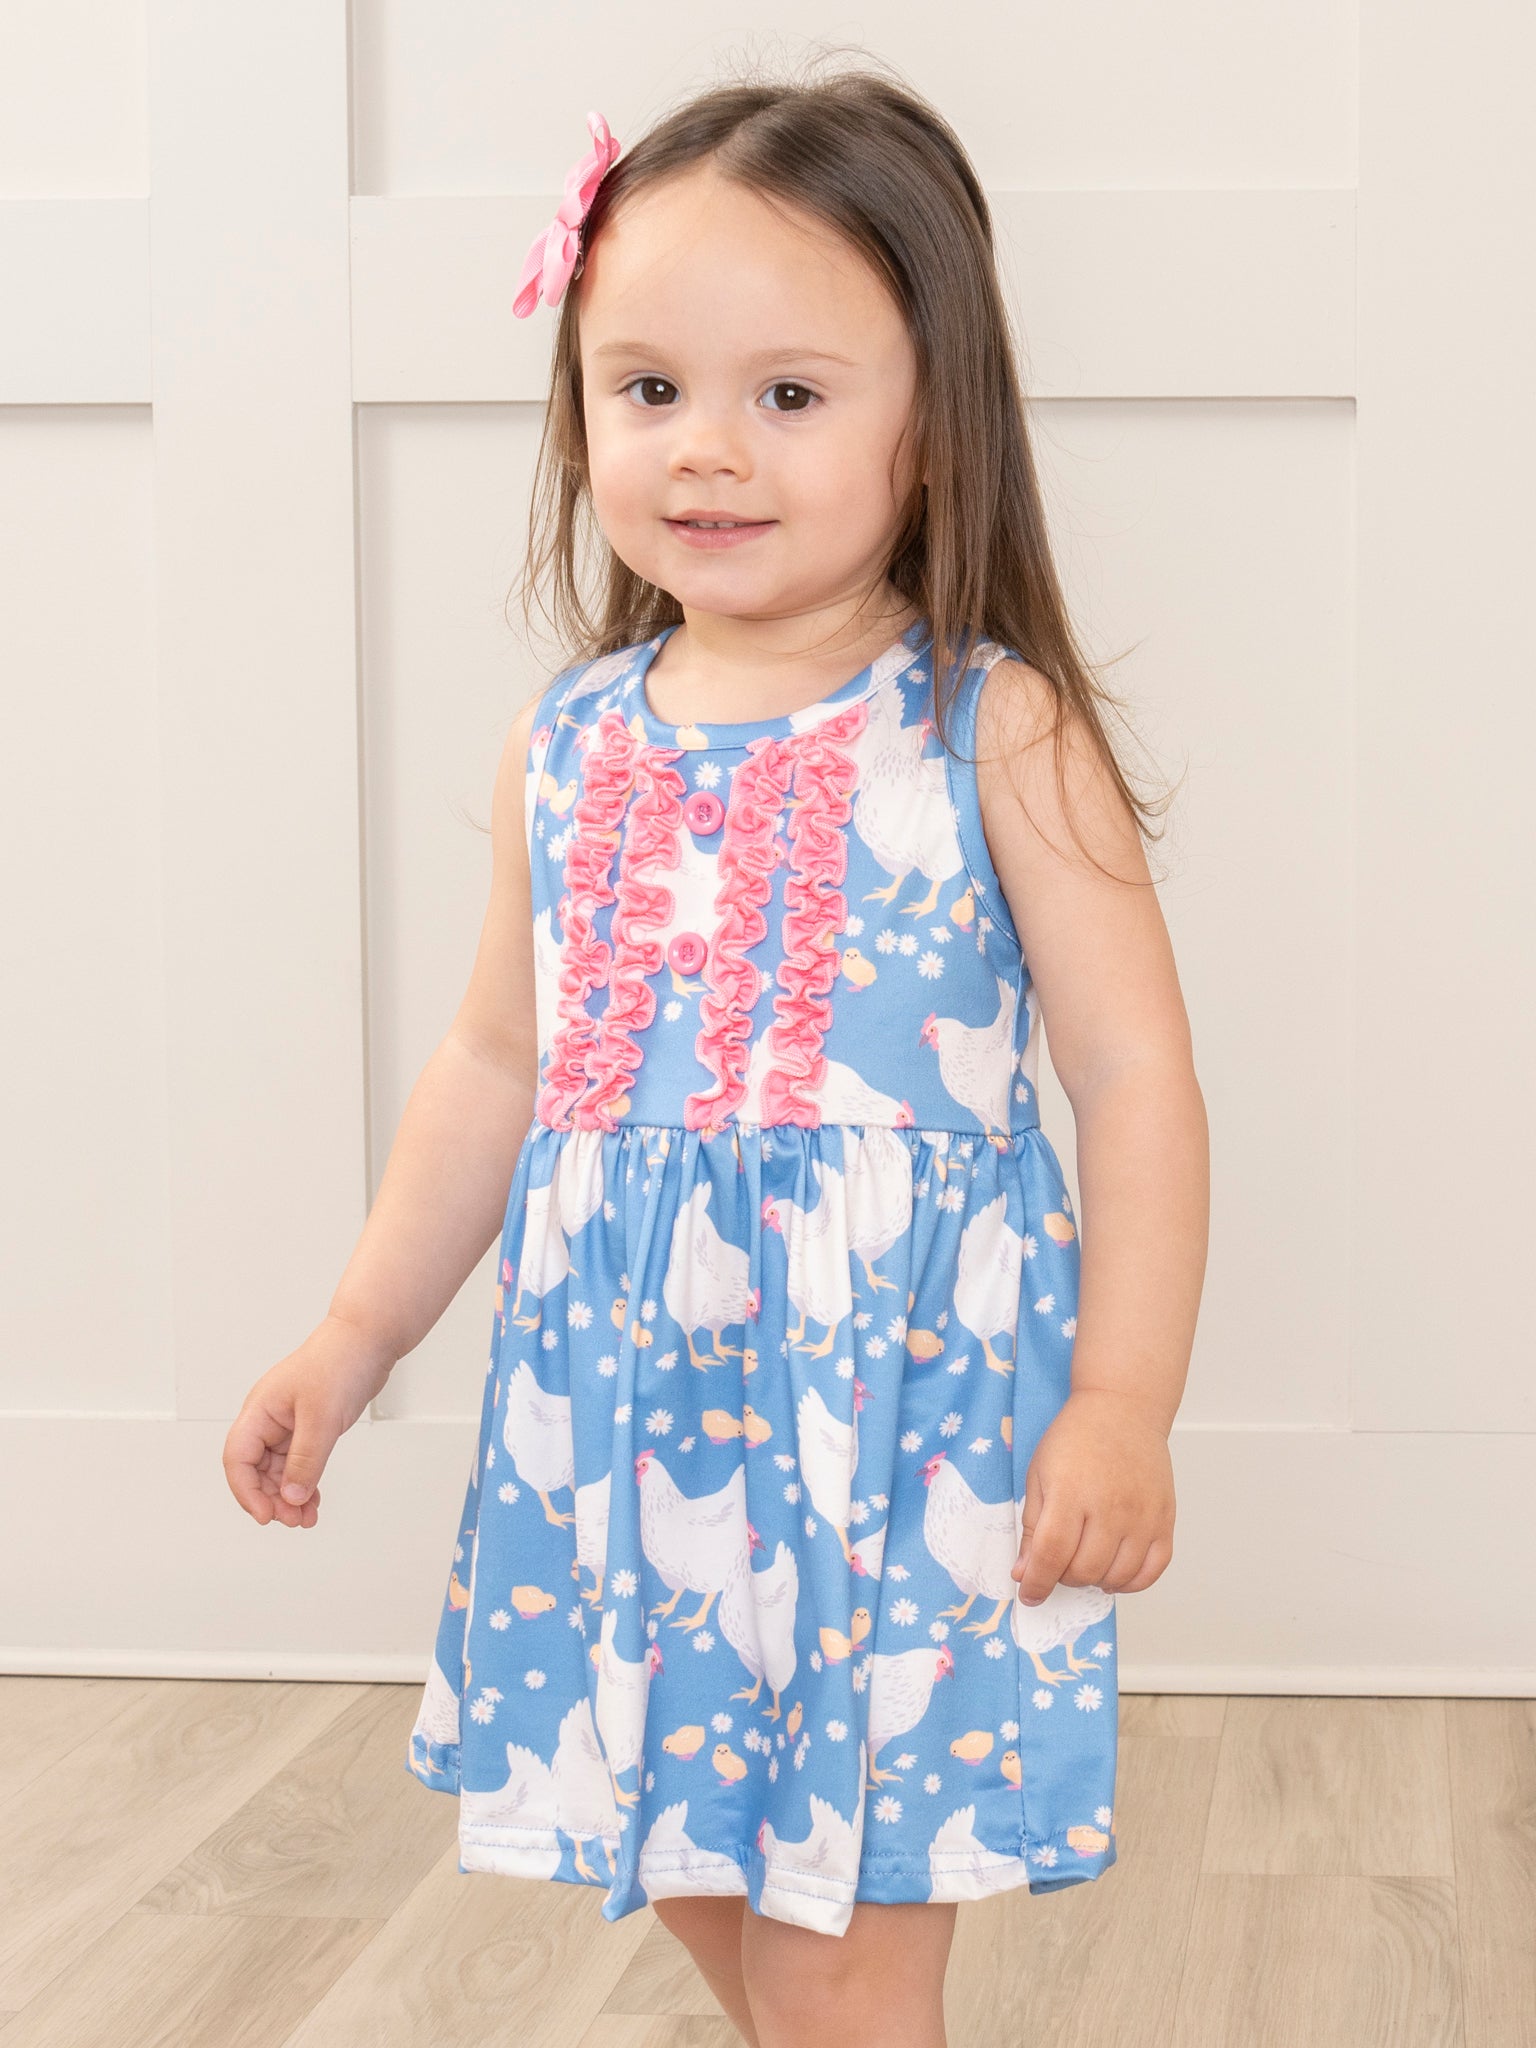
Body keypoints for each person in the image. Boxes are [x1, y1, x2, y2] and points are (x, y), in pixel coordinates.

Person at [223, 55, 1208, 2048]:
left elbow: (1134, 1080)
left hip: (894, 1441)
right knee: (684, 1866)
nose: (709, 451)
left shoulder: (987, 726)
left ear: (933, 425)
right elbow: (494, 1068)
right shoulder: (573, 743)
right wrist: (353, 1334)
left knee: (842, 1954)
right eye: (650, 387)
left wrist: (1122, 1403)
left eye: (791, 395)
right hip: (626, 1437)